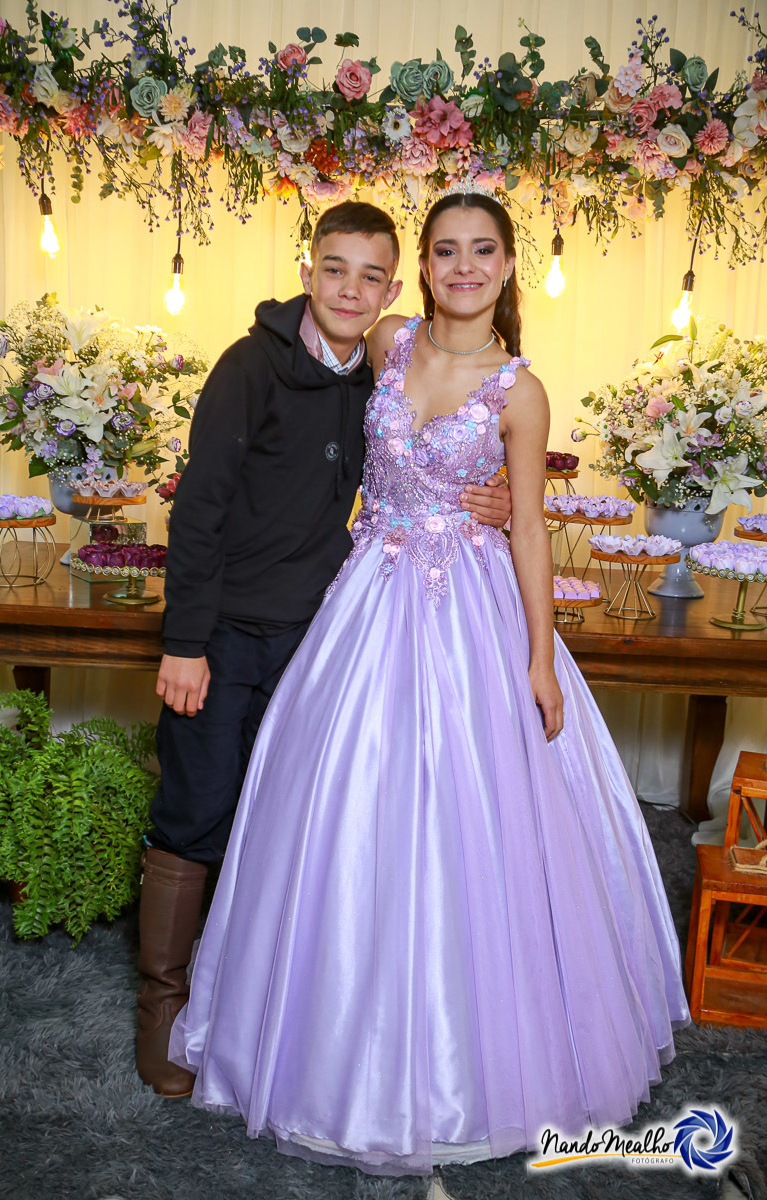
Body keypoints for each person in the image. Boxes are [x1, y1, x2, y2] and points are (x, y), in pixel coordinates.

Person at [168, 187, 691, 1175]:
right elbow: (311, 380)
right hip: (365, 600)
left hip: (469, 612)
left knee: (473, 818)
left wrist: (538, 658)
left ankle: (475, 1053)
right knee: (338, 805)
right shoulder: (387, 342)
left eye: (481, 250)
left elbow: (528, 526)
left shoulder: (519, 391)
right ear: (422, 266)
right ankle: (323, 1029)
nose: (463, 267)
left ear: (506, 266)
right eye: (445, 250)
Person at [136, 201, 513, 1098]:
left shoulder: (380, 368)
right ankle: (162, 1002)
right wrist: (184, 643)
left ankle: (255, 996)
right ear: (306, 271)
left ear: (392, 288)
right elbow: (198, 511)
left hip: (320, 633)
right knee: (197, 805)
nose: (350, 289)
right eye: (334, 269)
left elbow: (442, 423)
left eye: (370, 275)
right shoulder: (248, 368)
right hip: (223, 633)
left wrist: (491, 494)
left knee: (284, 819)